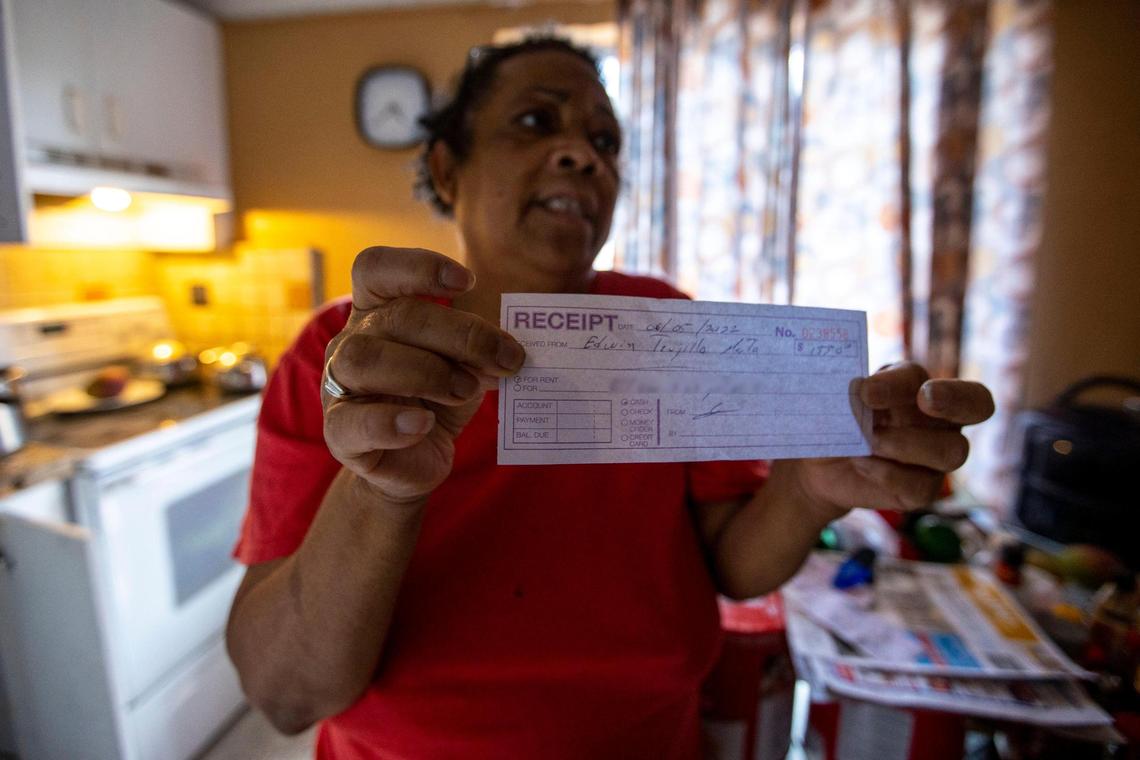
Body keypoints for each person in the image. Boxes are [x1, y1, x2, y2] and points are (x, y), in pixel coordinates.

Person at [225, 37, 995, 759]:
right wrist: (381, 489)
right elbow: (287, 694)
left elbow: (729, 564)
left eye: (606, 142)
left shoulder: (668, 324)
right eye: (536, 122)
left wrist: (806, 491)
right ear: (448, 169)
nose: (582, 156)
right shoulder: (343, 361)